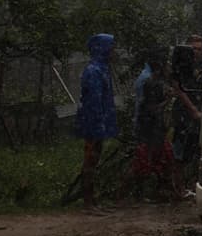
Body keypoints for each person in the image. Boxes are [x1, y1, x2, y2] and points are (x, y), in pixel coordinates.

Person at [75, 33, 118, 214]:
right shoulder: (94, 71)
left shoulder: (102, 69)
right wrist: (98, 123)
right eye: (111, 47)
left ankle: (93, 200)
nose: (114, 52)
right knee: (90, 160)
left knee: (95, 159)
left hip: (100, 121)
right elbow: (94, 101)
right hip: (92, 122)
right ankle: (88, 203)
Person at [125, 50, 174, 201]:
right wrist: (169, 99)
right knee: (146, 160)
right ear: (160, 66)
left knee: (153, 159)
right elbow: (151, 108)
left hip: (150, 126)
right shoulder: (152, 82)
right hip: (150, 128)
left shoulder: (151, 80)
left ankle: (154, 192)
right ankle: (131, 194)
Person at [170, 35, 202, 199]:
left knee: (196, 151)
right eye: (193, 49)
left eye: (199, 49)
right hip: (184, 114)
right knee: (180, 153)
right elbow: (179, 90)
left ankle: (193, 186)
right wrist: (193, 111)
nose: (196, 52)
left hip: (199, 113)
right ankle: (179, 189)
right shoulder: (181, 67)